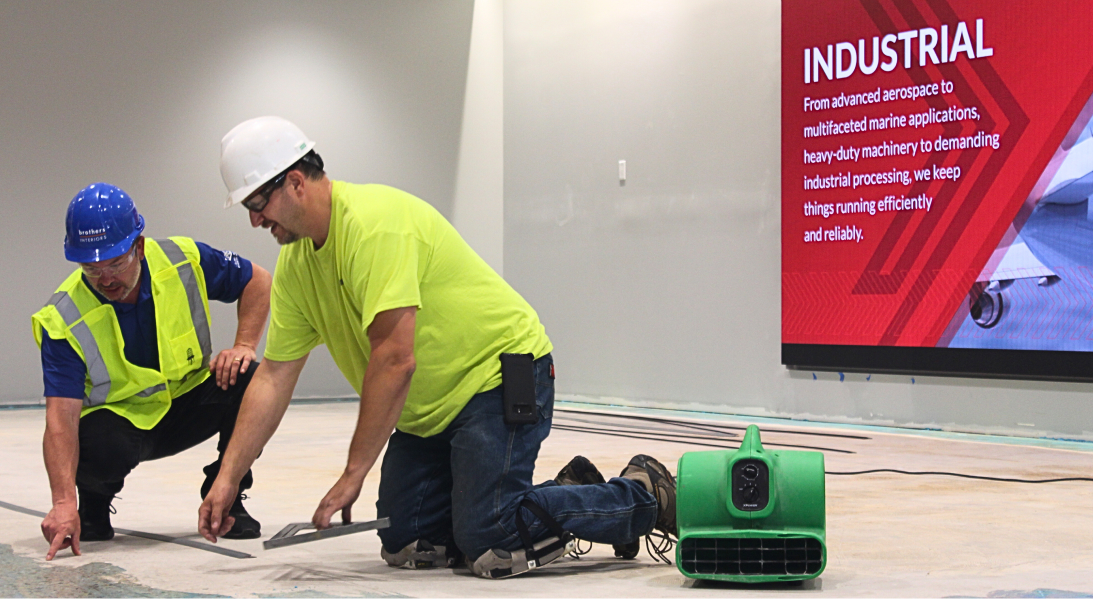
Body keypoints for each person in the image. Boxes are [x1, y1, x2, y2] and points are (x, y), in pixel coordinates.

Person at [198, 116, 677, 578]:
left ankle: (641, 494)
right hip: (428, 409)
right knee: (409, 544)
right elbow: (275, 375)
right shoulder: (298, 266)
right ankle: (555, 496)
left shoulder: (373, 226)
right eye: (247, 208)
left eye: (257, 202)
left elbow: (394, 359)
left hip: (500, 376)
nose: (256, 220)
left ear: (296, 182)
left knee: (492, 543)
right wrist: (227, 479)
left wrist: (353, 473)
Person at [33, 183, 272, 561]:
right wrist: (62, 502)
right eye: (91, 268)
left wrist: (243, 345)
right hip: (122, 425)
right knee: (94, 440)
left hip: (190, 401)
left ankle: (226, 495)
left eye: (115, 263)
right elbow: (60, 420)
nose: (105, 278)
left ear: (139, 247)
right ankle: (91, 505)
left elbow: (257, 281)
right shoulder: (62, 318)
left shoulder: (182, 260)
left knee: (254, 379)